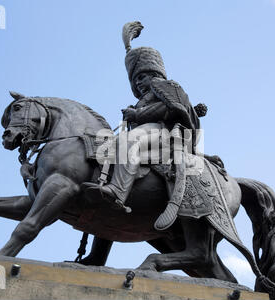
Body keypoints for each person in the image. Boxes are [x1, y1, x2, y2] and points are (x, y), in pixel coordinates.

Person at [84, 21, 201, 213]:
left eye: (141, 77)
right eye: (135, 80)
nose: (138, 83)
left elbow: (172, 108)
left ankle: (118, 191)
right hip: (149, 133)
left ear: (152, 73)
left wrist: (137, 114)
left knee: (127, 140)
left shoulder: (161, 85)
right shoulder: (143, 98)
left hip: (165, 132)